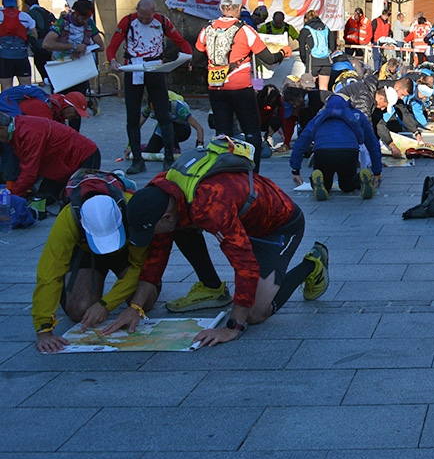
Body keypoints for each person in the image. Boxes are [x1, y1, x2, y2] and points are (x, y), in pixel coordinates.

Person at [126, 150, 329, 340]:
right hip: (241, 218)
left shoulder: (210, 204)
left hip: (279, 226)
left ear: (166, 216)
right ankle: (211, 287)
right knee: (175, 229)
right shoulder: (160, 190)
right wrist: (135, 307)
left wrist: (232, 327)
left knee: (255, 314)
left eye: (150, 231)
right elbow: (157, 254)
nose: (151, 237)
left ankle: (312, 264)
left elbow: (245, 264)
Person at [32, 171, 156, 353]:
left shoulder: (133, 207)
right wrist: (43, 329)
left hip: (127, 250)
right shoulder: (68, 219)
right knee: (79, 310)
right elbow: (49, 273)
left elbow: (139, 267)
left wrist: (106, 304)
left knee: (145, 302)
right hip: (87, 252)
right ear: (82, 223)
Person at [195, 0, 287, 171]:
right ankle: (255, 172)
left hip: (216, 89)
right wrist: (283, 53)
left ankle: (224, 172)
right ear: (238, 9)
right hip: (240, 87)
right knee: (251, 131)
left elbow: (196, 56)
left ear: (221, 8)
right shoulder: (246, 30)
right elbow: (268, 59)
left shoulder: (207, 29)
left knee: (222, 133)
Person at [107, 0, 192, 174]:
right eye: (141, 17)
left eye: (148, 18)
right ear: (136, 10)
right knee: (132, 116)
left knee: (164, 114)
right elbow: (112, 45)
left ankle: (168, 158)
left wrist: (188, 56)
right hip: (133, 67)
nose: (144, 20)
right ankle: (137, 160)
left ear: (154, 12)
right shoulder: (128, 21)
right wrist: (112, 61)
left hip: (155, 68)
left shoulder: (162, 21)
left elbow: (180, 41)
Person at [290, 92, 381, 201]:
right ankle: (360, 179)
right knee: (347, 185)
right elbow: (372, 143)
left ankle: (319, 181)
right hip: (348, 152)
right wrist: (376, 171)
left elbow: (302, 141)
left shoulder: (320, 116)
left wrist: (295, 170)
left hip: (323, 152)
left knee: (325, 183)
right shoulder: (356, 115)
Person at [0, 113, 101, 201]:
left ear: (2, 128)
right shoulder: (17, 129)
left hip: (86, 156)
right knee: (45, 198)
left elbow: (29, 173)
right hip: (62, 164)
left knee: (79, 197)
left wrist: (10, 198)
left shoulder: (29, 133)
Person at [41, 0, 103, 97]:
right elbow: (46, 44)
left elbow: (101, 46)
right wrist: (72, 47)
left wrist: (83, 50)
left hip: (79, 68)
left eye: (87, 18)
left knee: (78, 98)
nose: (85, 21)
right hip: (61, 67)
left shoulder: (89, 23)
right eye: (83, 18)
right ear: (76, 14)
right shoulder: (62, 22)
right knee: (62, 99)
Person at [139, 91, 203, 156]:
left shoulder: (178, 107)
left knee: (168, 124)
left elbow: (199, 128)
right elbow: (137, 126)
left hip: (181, 129)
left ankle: (175, 148)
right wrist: (131, 146)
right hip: (163, 128)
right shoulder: (151, 106)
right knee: (151, 150)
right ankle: (148, 146)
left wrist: (199, 145)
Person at [0, 0, 37, 90]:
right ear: (16, 3)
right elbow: (35, 35)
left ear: (3, 3)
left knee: (6, 88)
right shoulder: (25, 16)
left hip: (4, 58)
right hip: (22, 57)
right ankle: (24, 105)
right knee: (25, 87)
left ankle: (8, 105)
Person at [296, 9, 332, 90]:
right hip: (326, 61)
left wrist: (305, 61)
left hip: (312, 61)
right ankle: (323, 102)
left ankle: (311, 102)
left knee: (309, 87)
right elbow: (332, 46)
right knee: (324, 88)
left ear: (306, 20)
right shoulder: (326, 28)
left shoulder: (305, 30)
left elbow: (302, 49)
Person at [22, 0, 55, 83]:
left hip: (39, 46)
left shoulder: (30, 14)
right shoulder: (47, 12)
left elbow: (29, 31)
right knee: (50, 73)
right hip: (51, 45)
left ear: (26, 5)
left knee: (42, 71)